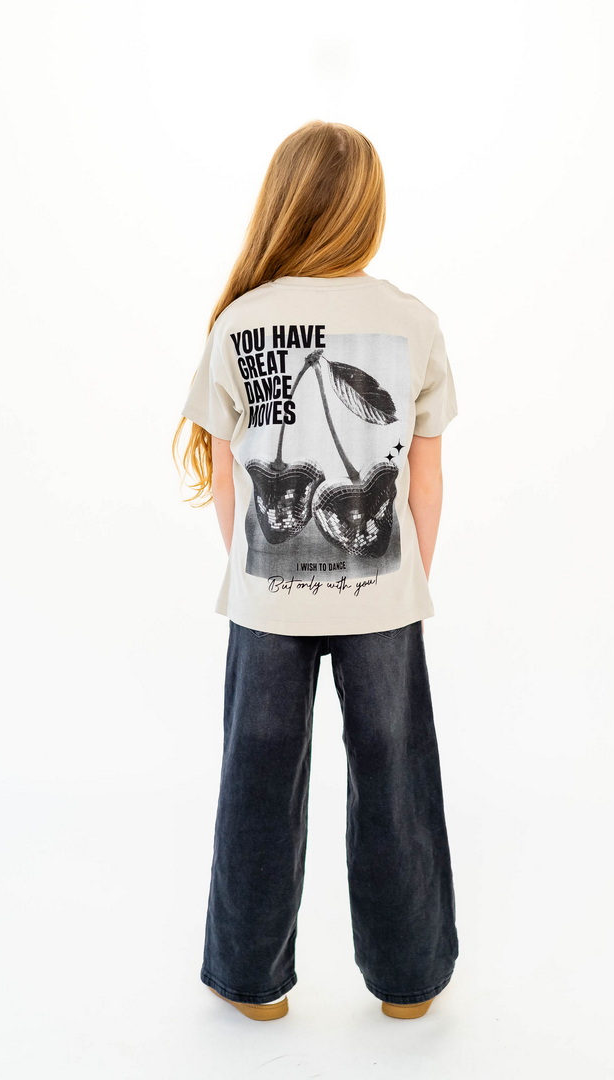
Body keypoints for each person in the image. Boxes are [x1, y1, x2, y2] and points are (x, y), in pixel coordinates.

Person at [172, 120, 460, 1022]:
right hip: (385, 594)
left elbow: (228, 479)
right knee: (395, 772)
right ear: (368, 208)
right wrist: (405, 580)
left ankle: (251, 982)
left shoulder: (241, 321)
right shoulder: (412, 320)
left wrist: (256, 570)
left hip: (266, 596)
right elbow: (424, 477)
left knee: (257, 775)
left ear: (285, 202)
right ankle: (410, 983)